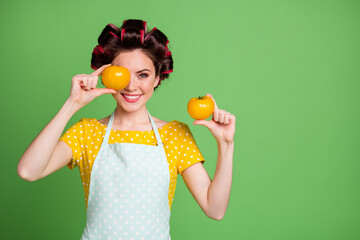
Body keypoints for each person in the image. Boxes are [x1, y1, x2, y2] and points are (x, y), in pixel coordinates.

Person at [17, 19, 236, 239]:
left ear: (157, 79)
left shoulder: (176, 134)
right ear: (106, 76)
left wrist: (225, 144)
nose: (131, 86)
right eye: (122, 74)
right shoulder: (87, 132)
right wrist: (72, 104)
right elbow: (28, 171)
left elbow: (214, 210)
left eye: (143, 75)